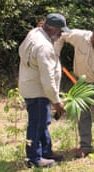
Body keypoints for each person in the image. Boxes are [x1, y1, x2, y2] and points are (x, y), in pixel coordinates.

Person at [55, 23, 94, 157]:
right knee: (83, 115)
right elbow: (62, 35)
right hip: (80, 83)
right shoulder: (79, 37)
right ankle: (85, 146)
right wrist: (55, 54)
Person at [18, 13, 69, 168]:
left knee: (42, 121)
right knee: (37, 123)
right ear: (52, 28)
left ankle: (46, 151)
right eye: (60, 31)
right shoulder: (44, 46)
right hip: (38, 90)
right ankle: (34, 157)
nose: (61, 34)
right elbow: (47, 79)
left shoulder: (35, 33)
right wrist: (57, 101)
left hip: (31, 85)